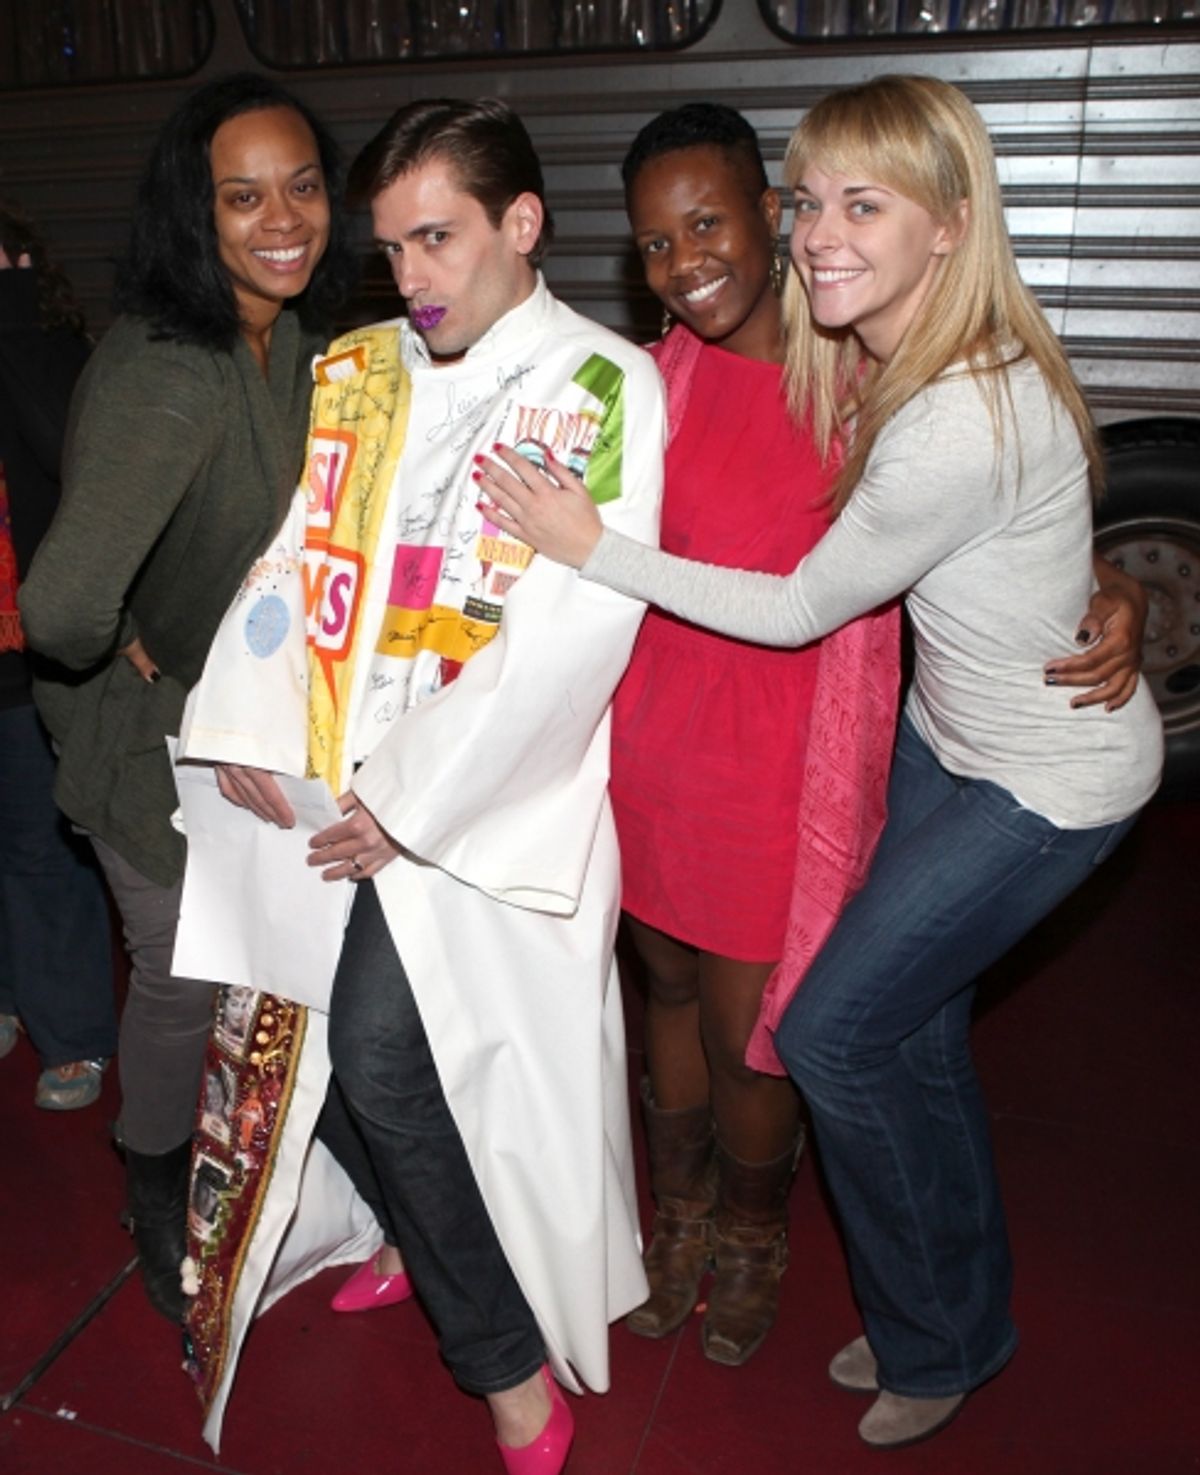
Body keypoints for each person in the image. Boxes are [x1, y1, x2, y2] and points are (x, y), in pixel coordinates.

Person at [476, 73, 1163, 1450]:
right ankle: (763, 1247)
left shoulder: (889, 380)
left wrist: (1106, 582)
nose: (695, 263)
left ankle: (844, 1282)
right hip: (796, 737)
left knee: (812, 1026)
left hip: (913, 766)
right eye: (659, 243)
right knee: (777, 1006)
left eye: (726, 221)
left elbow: (839, 581)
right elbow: (1007, 523)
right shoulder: (700, 369)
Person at [174, 98, 663, 1470]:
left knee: (382, 1057)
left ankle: (504, 1367)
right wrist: (254, 736)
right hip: (331, 784)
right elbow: (291, 563)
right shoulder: (365, 367)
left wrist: (411, 800)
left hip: (479, 814)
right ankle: (403, 1226)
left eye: (438, 239)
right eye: (391, 249)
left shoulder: (605, 384)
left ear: (523, 223)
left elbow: (573, 632)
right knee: (318, 1046)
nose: (413, 280)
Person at [19, 73, 355, 1319]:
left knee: (248, 960)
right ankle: (153, 1176)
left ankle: (241, 1149)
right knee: (176, 970)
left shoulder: (293, 343)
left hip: (230, 726)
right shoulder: (176, 368)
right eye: (243, 195)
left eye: (304, 185)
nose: (283, 217)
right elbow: (60, 608)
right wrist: (135, 646)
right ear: (192, 213)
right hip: (135, 734)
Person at [0, 202, 118, 1110]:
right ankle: (10, 994)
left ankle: (72, 1030)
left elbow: (65, 452)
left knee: (43, 846)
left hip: (26, 652)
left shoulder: (55, 356)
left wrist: (11, 313)